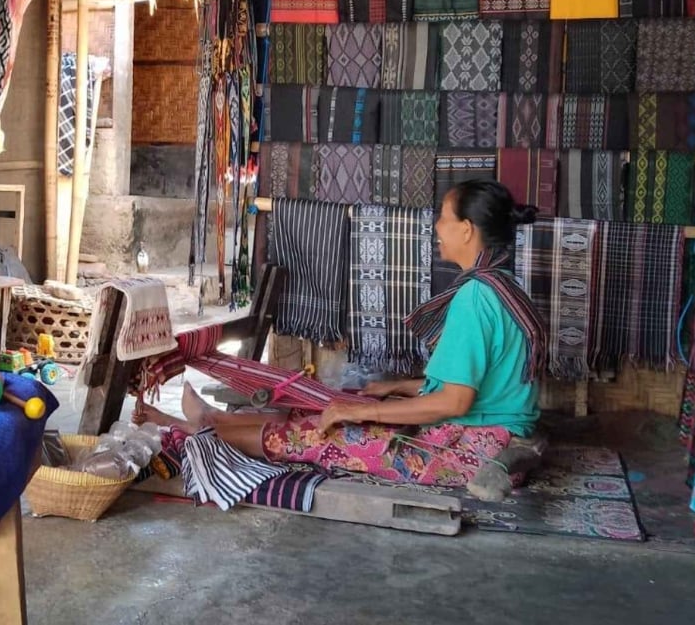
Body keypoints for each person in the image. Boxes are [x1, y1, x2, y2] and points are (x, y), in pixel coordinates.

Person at [150, 180, 546, 490]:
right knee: (326, 414)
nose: (436, 227)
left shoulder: (476, 298)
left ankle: (205, 433)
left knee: (326, 436)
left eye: (443, 217)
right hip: (492, 437)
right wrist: (400, 388)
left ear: (466, 229)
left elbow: (456, 401)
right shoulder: (503, 286)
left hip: (473, 451)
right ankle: (211, 422)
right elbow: (484, 381)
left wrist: (361, 411)